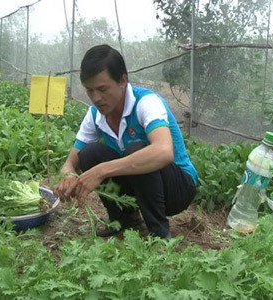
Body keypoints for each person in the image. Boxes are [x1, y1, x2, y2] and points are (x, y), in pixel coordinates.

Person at [53, 45, 198, 239]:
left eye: (103, 89)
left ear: (122, 80)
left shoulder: (146, 102)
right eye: (90, 90)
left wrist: (101, 170)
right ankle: (123, 219)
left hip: (177, 189)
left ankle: (159, 234)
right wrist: (69, 176)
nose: (96, 98)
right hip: (139, 186)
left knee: (136, 149)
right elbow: (70, 163)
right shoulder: (95, 115)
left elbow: (164, 151)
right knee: (89, 154)